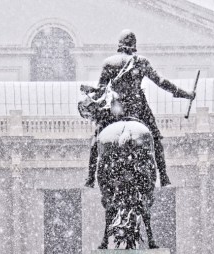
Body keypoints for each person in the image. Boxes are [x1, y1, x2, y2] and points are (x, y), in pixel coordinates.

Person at [81, 30, 196, 188]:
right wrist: (185, 94)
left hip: (115, 108)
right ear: (134, 45)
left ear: (119, 45)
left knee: (96, 138)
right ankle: (164, 176)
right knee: (155, 138)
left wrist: (90, 95)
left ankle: (90, 178)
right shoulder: (141, 62)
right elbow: (161, 82)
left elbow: (101, 91)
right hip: (137, 107)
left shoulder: (109, 63)